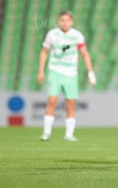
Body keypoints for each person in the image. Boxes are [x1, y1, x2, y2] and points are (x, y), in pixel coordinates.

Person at [37, 11, 96, 141]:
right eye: (62, 20)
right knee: (52, 101)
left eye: (67, 20)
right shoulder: (52, 34)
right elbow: (44, 52)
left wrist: (90, 72)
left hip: (71, 73)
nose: (65, 23)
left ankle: (69, 134)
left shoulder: (77, 36)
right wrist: (40, 71)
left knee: (70, 103)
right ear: (59, 21)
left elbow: (85, 54)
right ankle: (46, 133)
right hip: (55, 70)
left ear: (71, 22)